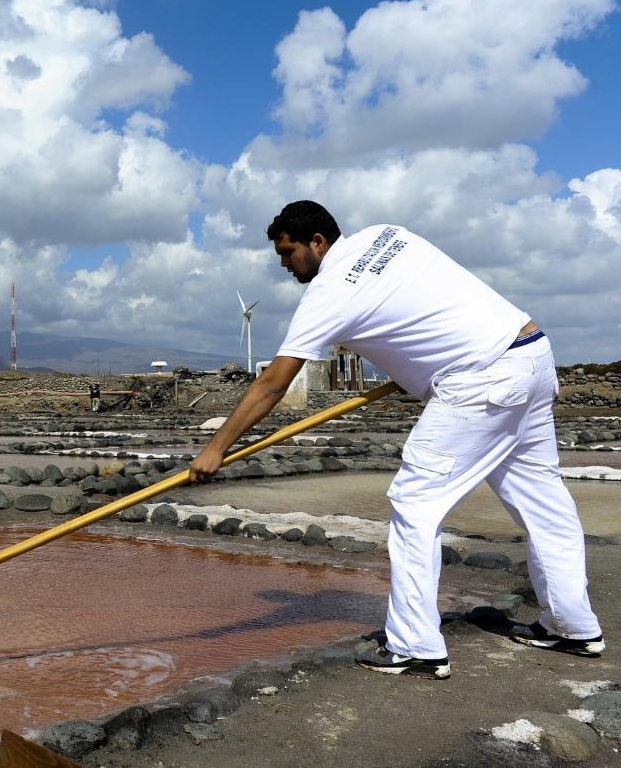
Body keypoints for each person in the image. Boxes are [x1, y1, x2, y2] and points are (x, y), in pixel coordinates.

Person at [189, 200, 603, 680]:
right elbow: (420, 306)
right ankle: (572, 626)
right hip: (530, 353)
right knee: (542, 502)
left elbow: (272, 385)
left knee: (414, 501)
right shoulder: (387, 234)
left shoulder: (329, 293)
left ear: (317, 242)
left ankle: (416, 646)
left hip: (479, 381)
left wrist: (215, 449)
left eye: (287, 252)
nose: (284, 264)